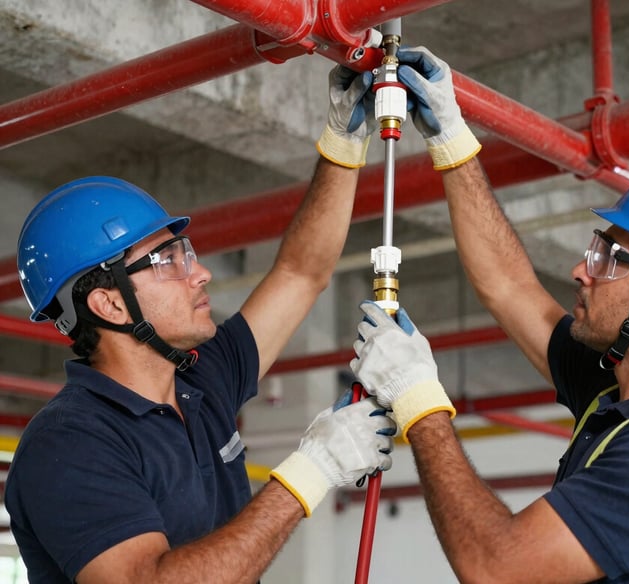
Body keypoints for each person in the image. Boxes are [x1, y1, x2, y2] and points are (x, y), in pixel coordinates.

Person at [350, 46, 629, 582]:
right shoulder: (621, 387)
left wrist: (419, 401)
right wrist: (452, 139)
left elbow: (496, 568)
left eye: (608, 260)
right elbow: (509, 287)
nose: (579, 270)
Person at [5, 64, 396, 584]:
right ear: (110, 304)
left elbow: (301, 273)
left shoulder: (200, 382)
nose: (201, 273)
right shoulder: (70, 442)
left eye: (184, 252)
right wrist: (315, 467)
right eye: (167, 261)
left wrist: (343, 143)